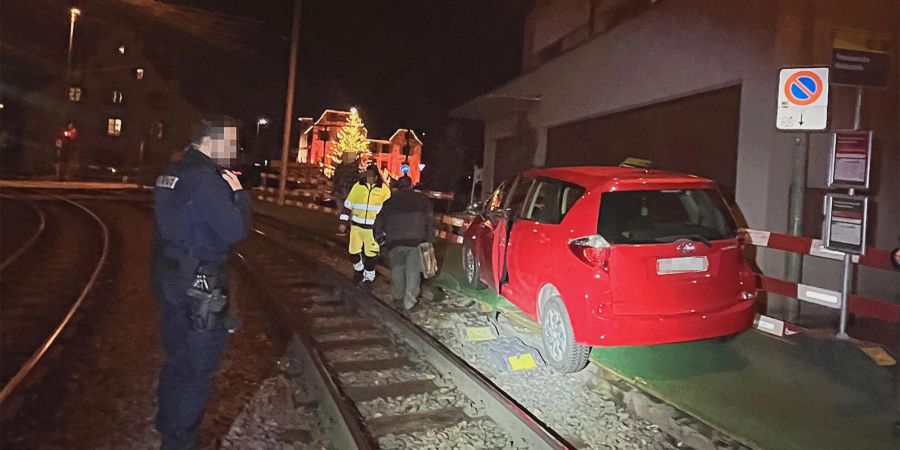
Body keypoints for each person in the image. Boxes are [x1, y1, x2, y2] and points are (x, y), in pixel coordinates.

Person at [151, 116, 251, 450]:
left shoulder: (171, 174)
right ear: (212, 141)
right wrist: (239, 196)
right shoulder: (207, 180)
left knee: (176, 358)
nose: (234, 151)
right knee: (197, 371)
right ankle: (180, 442)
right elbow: (235, 230)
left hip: (171, 278)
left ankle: (167, 426)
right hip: (201, 286)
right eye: (231, 143)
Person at [375, 175, 435, 310]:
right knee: (413, 271)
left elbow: (379, 220)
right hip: (416, 240)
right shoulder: (422, 200)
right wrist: (430, 240)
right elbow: (429, 221)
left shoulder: (389, 202)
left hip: (394, 241)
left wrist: (379, 237)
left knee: (397, 268)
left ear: (397, 186)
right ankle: (410, 302)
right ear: (411, 185)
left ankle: (397, 297)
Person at [339, 163, 391, 287]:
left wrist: (385, 228)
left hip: (373, 229)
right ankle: (359, 269)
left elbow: (388, 210)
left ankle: (368, 276)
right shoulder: (358, 187)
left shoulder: (384, 190)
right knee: (353, 252)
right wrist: (343, 222)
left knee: (371, 254)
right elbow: (348, 205)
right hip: (357, 226)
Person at [332, 151, 360, 229]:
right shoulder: (354, 168)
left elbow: (336, 179)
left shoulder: (341, 167)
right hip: (345, 192)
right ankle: (346, 226)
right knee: (346, 210)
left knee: (344, 210)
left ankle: (344, 226)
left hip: (342, 191)